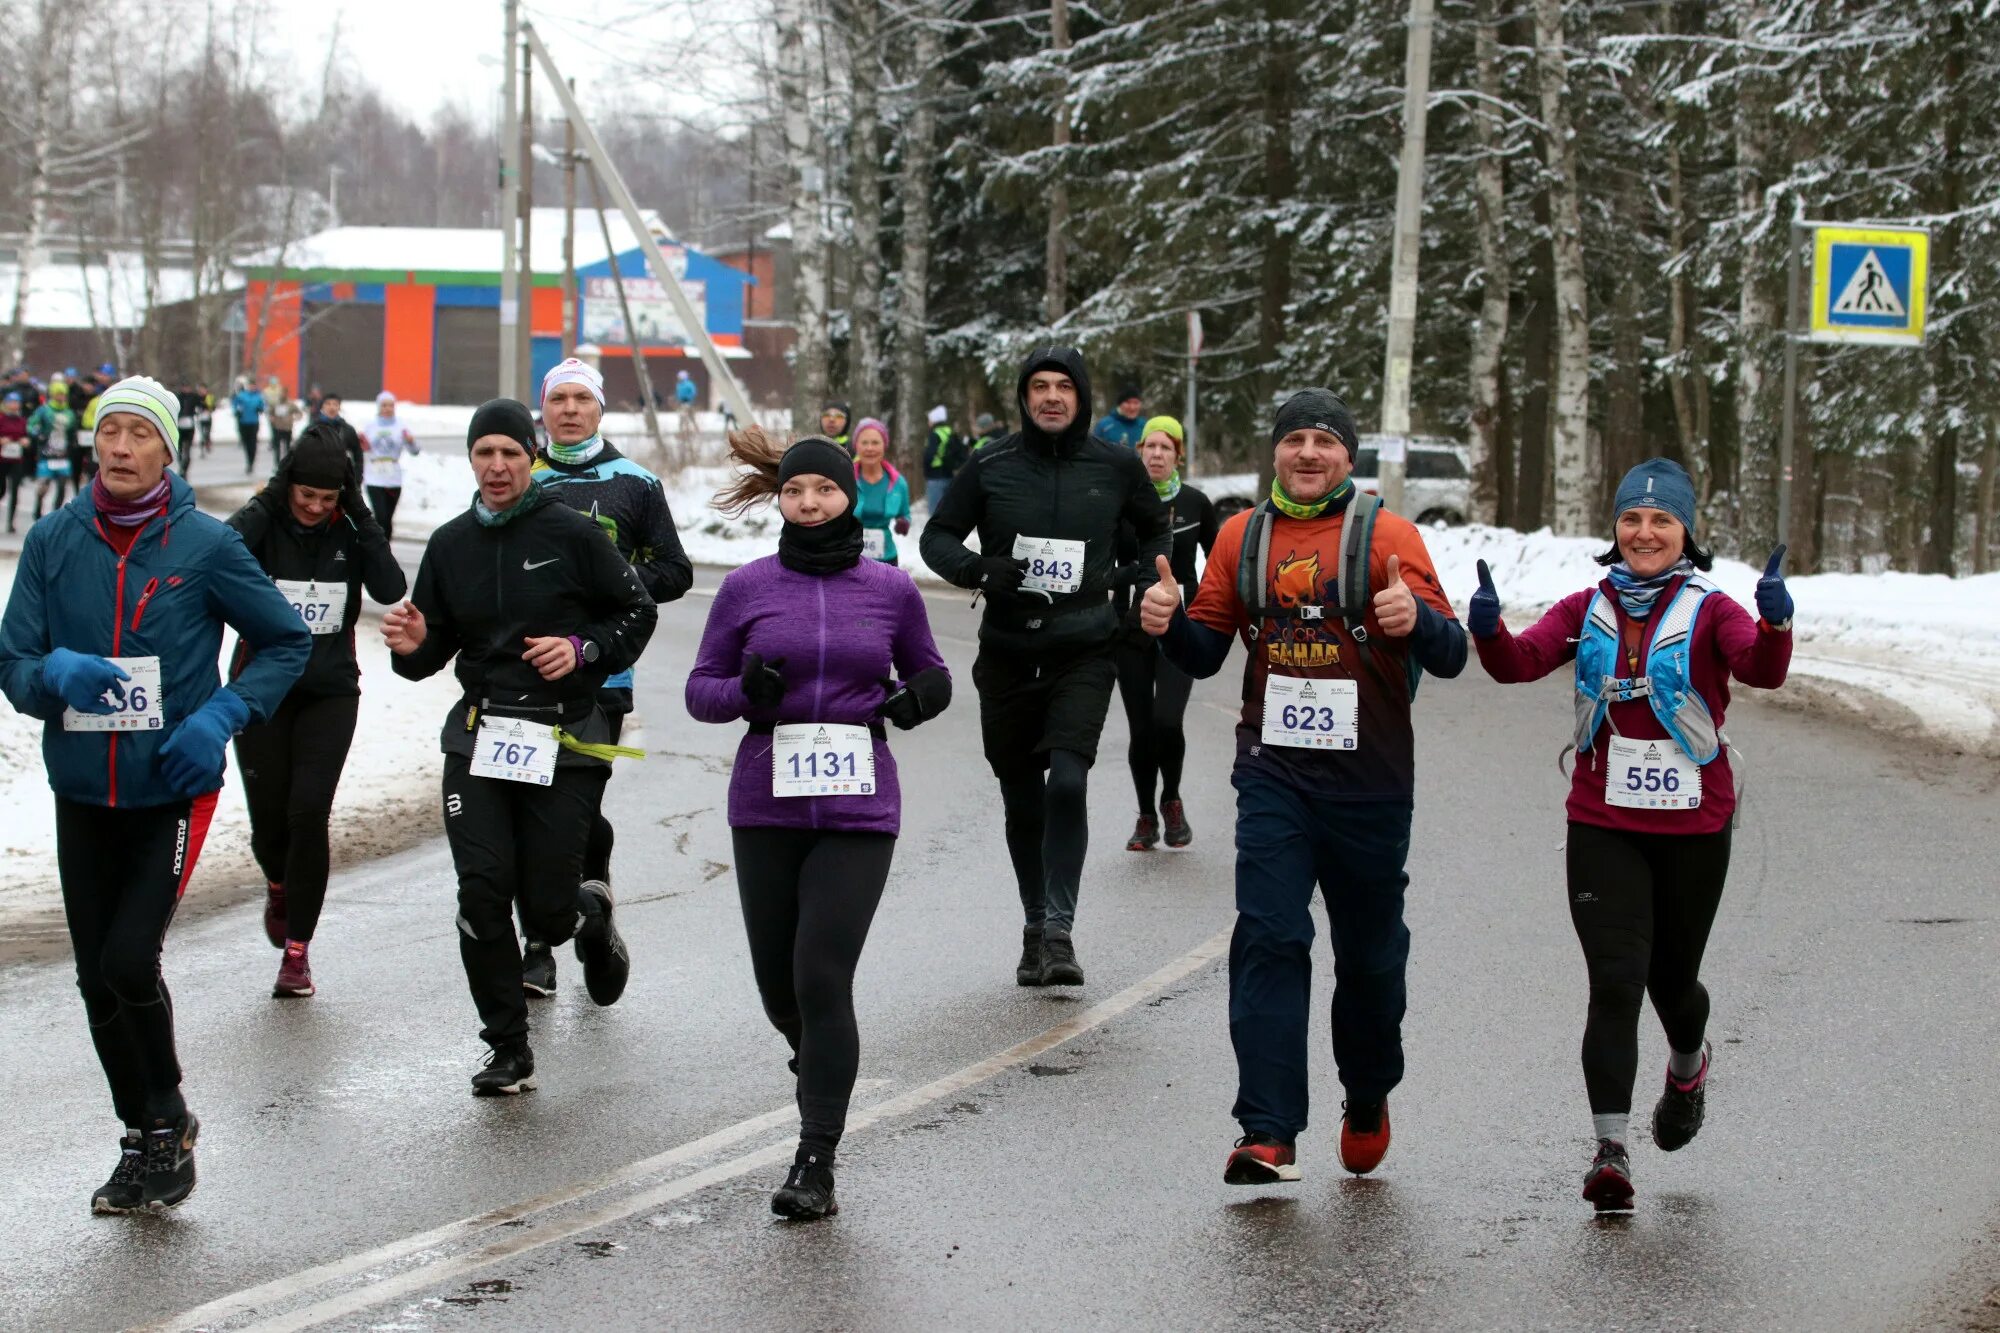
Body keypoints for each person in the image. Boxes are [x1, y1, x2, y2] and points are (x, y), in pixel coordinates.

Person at [1140, 388, 1466, 1186]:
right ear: (1275, 452)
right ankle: (1268, 1128)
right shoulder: (1241, 537)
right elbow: (1204, 651)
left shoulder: (1389, 535)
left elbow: (1453, 652)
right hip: (1274, 774)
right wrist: (1165, 619)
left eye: (1325, 441)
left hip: (1371, 782)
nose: (1309, 453)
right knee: (1270, 934)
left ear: (1348, 458)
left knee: (1369, 960)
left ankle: (1366, 1091)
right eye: (1295, 440)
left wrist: (1412, 619)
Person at [0, 375, 310, 1214]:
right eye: (111, 434)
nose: (121, 449)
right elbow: (12, 660)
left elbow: (286, 640)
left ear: (167, 449)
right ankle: (140, 1133)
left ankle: (167, 1121)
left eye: (140, 435)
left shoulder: (205, 545)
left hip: (170, 785)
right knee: (96, 980)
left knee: (130, 960)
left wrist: (221, 716)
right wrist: (50, 674)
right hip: (81, 791)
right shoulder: (54, 539)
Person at [1466, 457, 1793, 1212]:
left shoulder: (1712, 609)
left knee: (1672, 982)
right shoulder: (1588, 605)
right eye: (1632, 520)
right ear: (1615, 529)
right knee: (1615, 979)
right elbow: (1519, 664)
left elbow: (1762, 670)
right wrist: (1489, 629)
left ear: (1686, 532)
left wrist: (1775, 622)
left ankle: (1688, 1063)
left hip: (1694, 826)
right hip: (1602, 820)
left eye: (1662, 520)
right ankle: (1610, 1149)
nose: (1645, 533)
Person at [688, 428, 951, 1220]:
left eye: (825, 490)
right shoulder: (746, 587)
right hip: (767, 800)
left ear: (849, 497)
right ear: (782, 500)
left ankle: (816, 1159)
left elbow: (932, 672)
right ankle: (819, 1062)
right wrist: (748, 694)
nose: (809, 502)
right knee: (780, 991)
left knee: (820, 973)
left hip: (859, 806)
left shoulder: (890, 588)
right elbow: (702, 689)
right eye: (796, 491)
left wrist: (915, 699)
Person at [382, 398, 657, 1095]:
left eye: (510, 452)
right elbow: (433, 642)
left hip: (563, 735)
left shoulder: (571, 533)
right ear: (470, 460)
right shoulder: (449, 545)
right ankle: (507, 1045)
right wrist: (414, 650)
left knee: (546, 911)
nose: (497, 466)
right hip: (480, 734)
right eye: (485, 454)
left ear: (530, 456)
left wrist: (582, 647)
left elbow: (636, 609)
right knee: (480, 891)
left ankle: (588, 914)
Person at [920, 346, 1170, 987]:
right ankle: (1035, 923)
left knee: (1067, 782)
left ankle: (1059, 931)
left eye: (1065, 386)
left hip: (1084, 648)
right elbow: (937, 537)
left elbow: (1155, 531)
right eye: (1040, 387)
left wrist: (1145, 581)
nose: (1052, 396)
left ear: (1082, 397)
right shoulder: (992, 463)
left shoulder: (1115, 466)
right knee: (1022, 797)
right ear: (1025, 398)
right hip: (1006, 652)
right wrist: (978, 569)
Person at [522, 357, 693, 998]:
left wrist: (612, 586)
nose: (568, 409)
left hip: (604, 678)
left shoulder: (635, 484)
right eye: (557, 399)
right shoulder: (519, 476)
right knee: (523, 807)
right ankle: (538, 947)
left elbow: (674, 571)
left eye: (580, 399)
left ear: (600, 409)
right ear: (543, 409)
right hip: (523, 677)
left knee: (576, 812)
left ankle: (593, 911)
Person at [226, 426, 407, 997]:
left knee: (308, 814)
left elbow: (390, 585)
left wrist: (357, 511)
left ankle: (297, 955)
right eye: (305, 494)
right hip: (261, 689)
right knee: (269, 824)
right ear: (288, 485)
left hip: (329, 691)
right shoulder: (266, 522)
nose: (313, 507)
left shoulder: (348, 527)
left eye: (326, 499)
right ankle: (279, 883)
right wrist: (271, 496)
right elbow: (219, 552)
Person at [1113, 416, 1218, 851]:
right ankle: (1145, 815)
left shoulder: (1196, 503)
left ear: (1178, 456)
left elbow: (1220, 564)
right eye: (1149, 447)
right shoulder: (1119, 502)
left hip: (1180, 627)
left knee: (1166, 720)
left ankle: (1171, 799)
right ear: (1139, 452)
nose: (1156, 454)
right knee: (1141, 729)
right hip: (1130, 628)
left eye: (1165, 448)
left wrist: (1209, 614)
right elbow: (1101, 562)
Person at [851, 417, 911, 566]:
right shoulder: (845, 479)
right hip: (850, 556)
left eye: (875, 442)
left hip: (886, 558)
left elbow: (905, 514)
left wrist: (903, 522)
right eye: (864, 442)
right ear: (856, 446)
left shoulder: (898, 483)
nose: (869, 448)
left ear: (884, 445)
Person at [361, 391, 419, 540]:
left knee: (387, 518)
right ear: (379, 407)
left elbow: (415, 451)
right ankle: (379, 550)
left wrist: (411, 441)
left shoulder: (401, 426)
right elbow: (363, 448)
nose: (388, 408)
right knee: (380, 516)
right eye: (384, 405)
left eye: (391, 405)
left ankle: (385, 549)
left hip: (393, 476)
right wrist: (361, 444)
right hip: (374, 476)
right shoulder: (370, 426)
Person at [28, 377, 79, 518]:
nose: (61, 397)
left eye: (63, 394)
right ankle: (38, 508)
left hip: (63, 453)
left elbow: (73, 430)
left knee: (63, 484)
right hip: (47, 453)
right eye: (58, 394)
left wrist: (73, 441)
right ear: (53, 394)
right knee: (44, 485)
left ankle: (55, 514)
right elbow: (31, 425)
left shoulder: (69, 413)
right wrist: (37, 434)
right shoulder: (44, 410)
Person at [920, 404, 968, 515]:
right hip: (949, 475)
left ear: (934, 420)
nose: (928, 422)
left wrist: (926, 470)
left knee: (935, 513)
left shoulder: (935, 434)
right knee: (948, 512)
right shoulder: (950, 432)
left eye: (929, 419)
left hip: (935, 477)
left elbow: (929, 455)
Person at [1, 393, 30, 533]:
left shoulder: (22, 420)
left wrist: (26, 441)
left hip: (16, 459)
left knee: (15, 490)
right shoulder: (1, 418)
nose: (14, 405)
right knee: (1, 490)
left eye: (16, 402)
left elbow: (27, 436)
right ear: (6, 403)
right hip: (2, 459)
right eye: (11, 402)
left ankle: (10, 522)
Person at [1091, 383, 1146, 450]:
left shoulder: (1144, 425)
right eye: (1128, 402)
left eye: (1136, 403)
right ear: (1120, 404)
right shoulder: (1104, 425)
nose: (1132, 407)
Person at [230, 377, 265, 475]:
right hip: (243, 422)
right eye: (250, 385)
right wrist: (236, 412)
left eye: (253, 386)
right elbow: (234, 404)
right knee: (246, 443)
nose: (251, 387)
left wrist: (260, 409)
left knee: (252, 443)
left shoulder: (258, 396)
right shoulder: (242, 395)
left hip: (253, 422)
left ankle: (251, 463)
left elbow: (262, 406)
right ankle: (248, 459)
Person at [265, 378, 296, 465]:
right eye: (282, 393)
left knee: (287, 447)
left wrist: (295, 417)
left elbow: (298, 412)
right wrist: (271, 417)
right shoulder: (276, 403)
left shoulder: (290, 404)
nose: (283, 395)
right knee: (277, 447)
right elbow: (270, 412)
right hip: (277, 427)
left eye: (284, 393)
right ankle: (277, 463)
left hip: (287, 427)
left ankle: (287, 463)